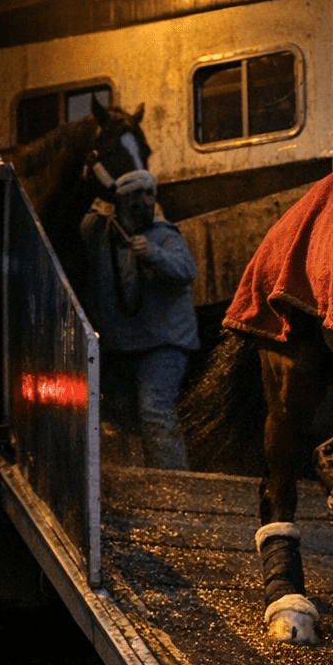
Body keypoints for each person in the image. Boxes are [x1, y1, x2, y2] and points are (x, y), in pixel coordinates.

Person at [78, 169, 199, 470]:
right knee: (122, 418)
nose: (143, 202)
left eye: (149, 194)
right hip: (121, 343)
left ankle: (174, 483)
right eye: (135, 195)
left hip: (164, 341)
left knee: (155, 411)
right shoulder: (100, 233)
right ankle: (138, 479)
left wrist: (154, 254)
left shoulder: (163, 235)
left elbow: (186, 270)